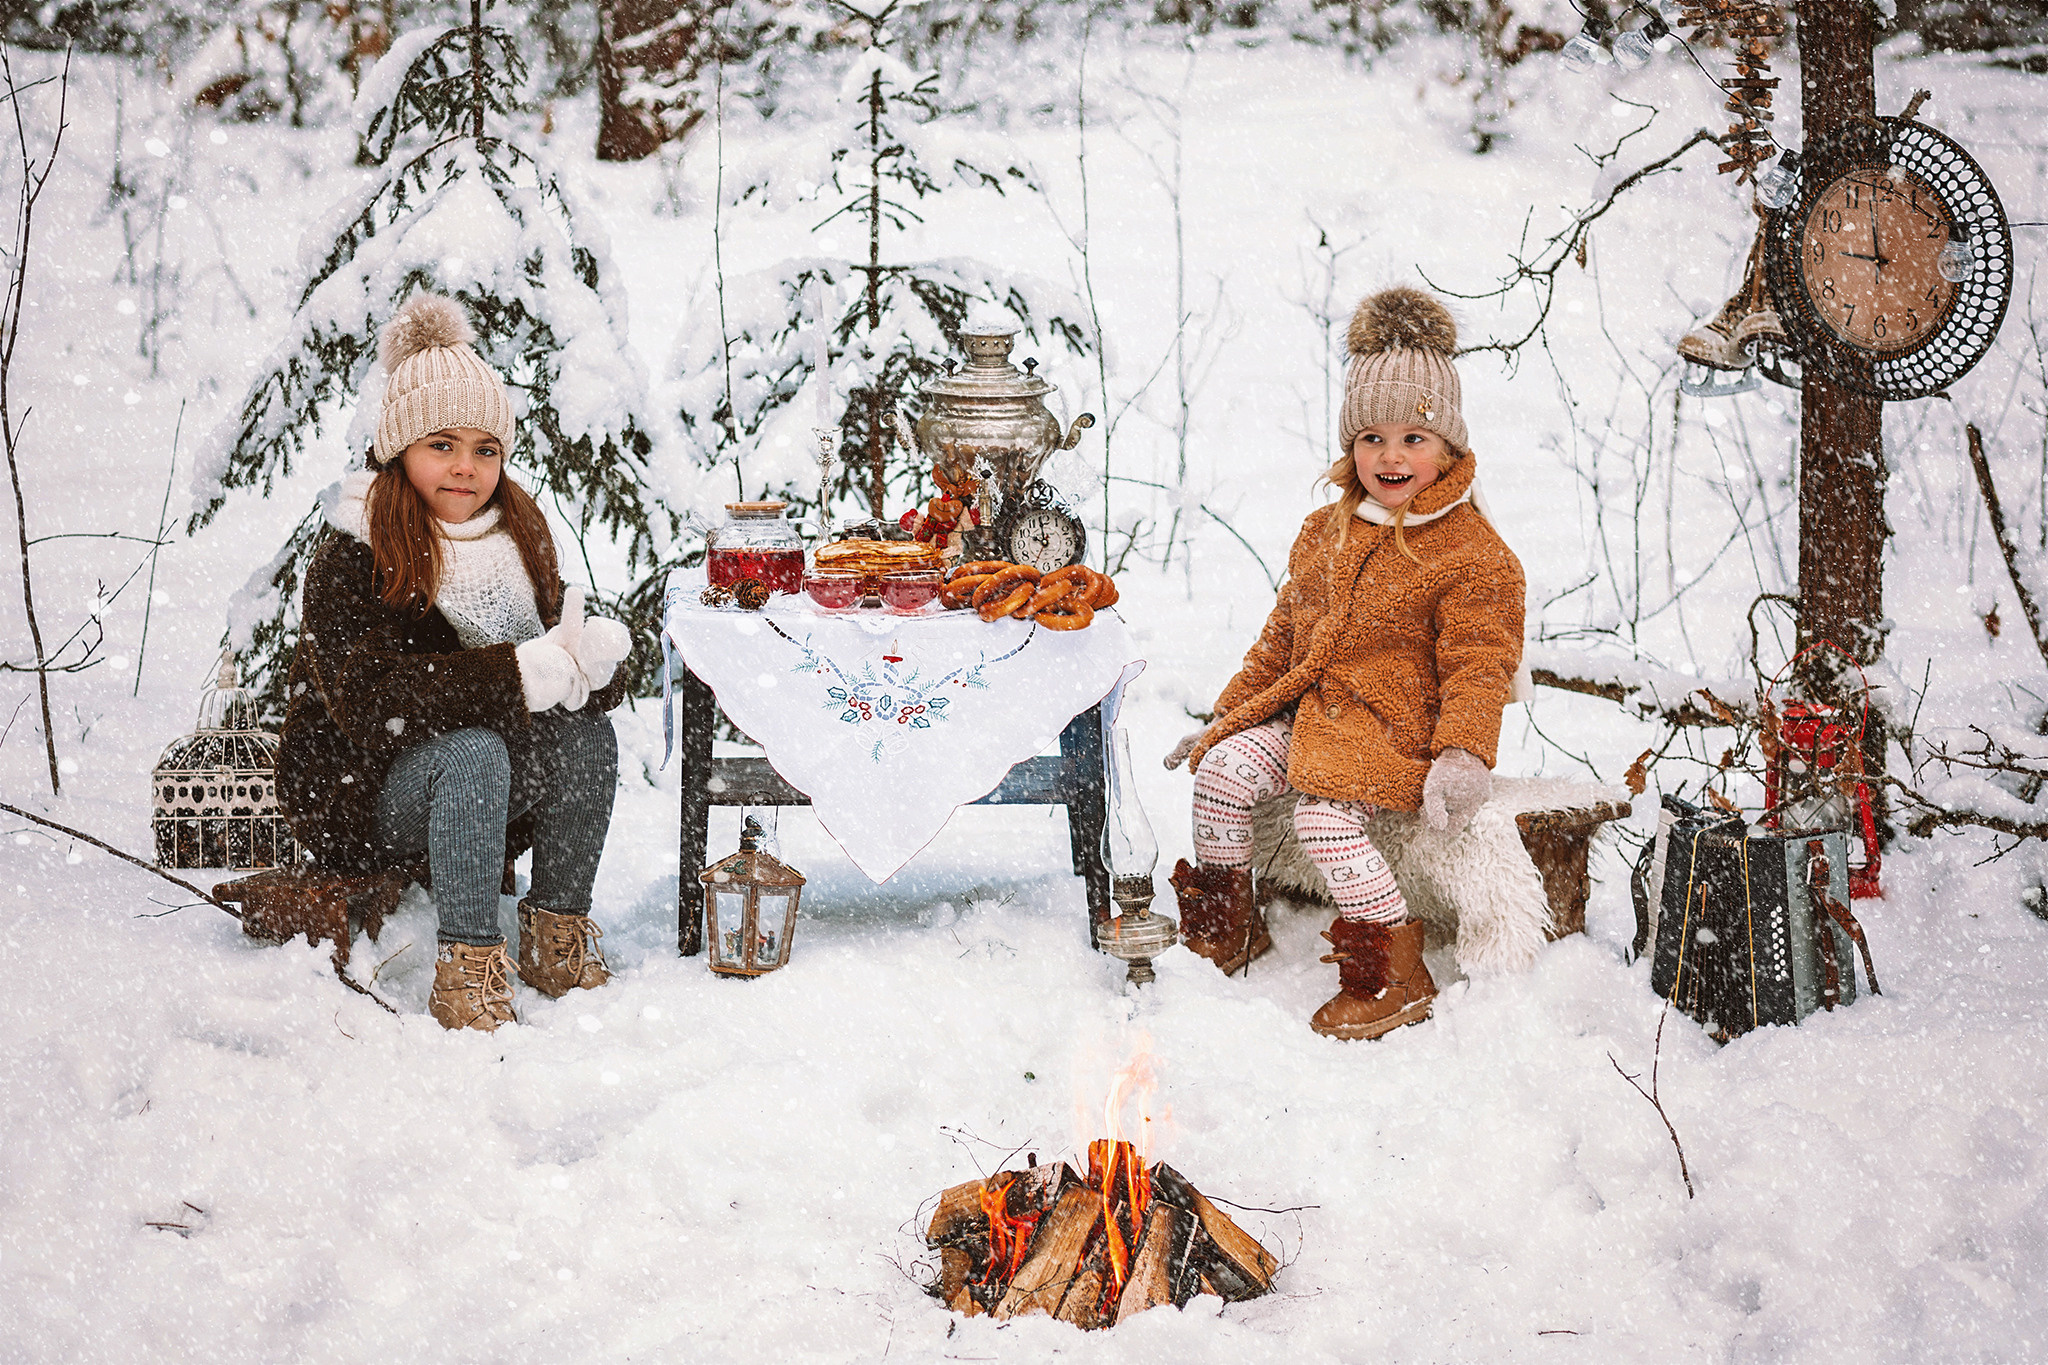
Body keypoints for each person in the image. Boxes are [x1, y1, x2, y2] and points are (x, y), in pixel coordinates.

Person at [1165, 286, 1524, 1041]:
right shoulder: (1324, 531)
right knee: (1223, 771)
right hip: (1311, 713)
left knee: (1323, 817)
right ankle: (1228, 923)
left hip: (1395, 732)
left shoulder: (1472, 554)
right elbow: (1277, 643)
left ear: (1450, 448)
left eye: (1414, 438)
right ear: (1349, 445)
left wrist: (1462, 751)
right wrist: (1223, 721)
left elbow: (1479, 664)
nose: (1390, 456)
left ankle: (1394, 970)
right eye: (1372, 438)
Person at [277, 294, 636, 1032]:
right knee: (471, 751)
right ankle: (468, 970)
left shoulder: (515, 532)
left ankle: (556, 935)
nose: (465, 468)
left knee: (587, 738)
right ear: (399, 448)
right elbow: (373, 703)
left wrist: (591, 664)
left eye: (485, 449)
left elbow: (554, 649)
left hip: (480, 788)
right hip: (365, 790)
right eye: (442, 444)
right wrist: (516, 675)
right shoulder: (352, 547)